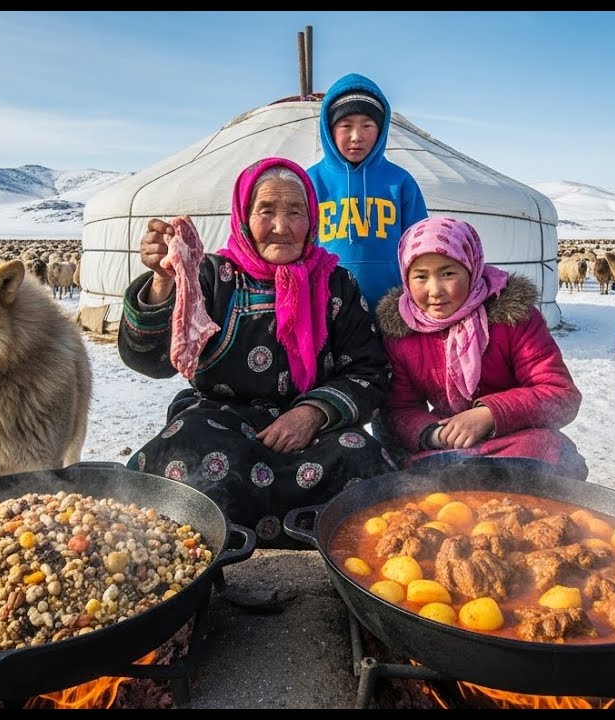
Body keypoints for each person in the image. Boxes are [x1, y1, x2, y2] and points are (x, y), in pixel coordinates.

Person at [118, 156, 398, 548]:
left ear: (312, 219)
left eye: (295, 212)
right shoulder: (211, 276)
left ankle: (341, 557)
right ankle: (212, 553)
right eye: (266, 211)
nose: (281, 227)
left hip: (314, 437)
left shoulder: (336, 283)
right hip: (220, 428)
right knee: (187, 460)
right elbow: (149, 360)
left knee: (362, 459)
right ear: (244, 216)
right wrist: (165, 280)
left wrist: (312, 413)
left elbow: (370, 371)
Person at [374, 215, 590, 480]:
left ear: (472, 267)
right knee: (417, 476)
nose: (435, 290)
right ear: (406, 278)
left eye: (448, 273)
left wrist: (489, 414)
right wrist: (434, 434)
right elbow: (399, 408)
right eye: (420, 276)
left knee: (549, 452)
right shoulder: (403, 332)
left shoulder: (514, 319)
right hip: (448, 445)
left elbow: (561, 394)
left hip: (514, 439)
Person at [308, 72, 429, 315]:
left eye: (367, 125)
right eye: (345, 126)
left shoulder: (400, 182)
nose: (357, 136)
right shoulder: (311, 181)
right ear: (329, 129)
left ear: (381, 128)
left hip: (392, 308)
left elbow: (422, 249)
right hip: (326, 309)